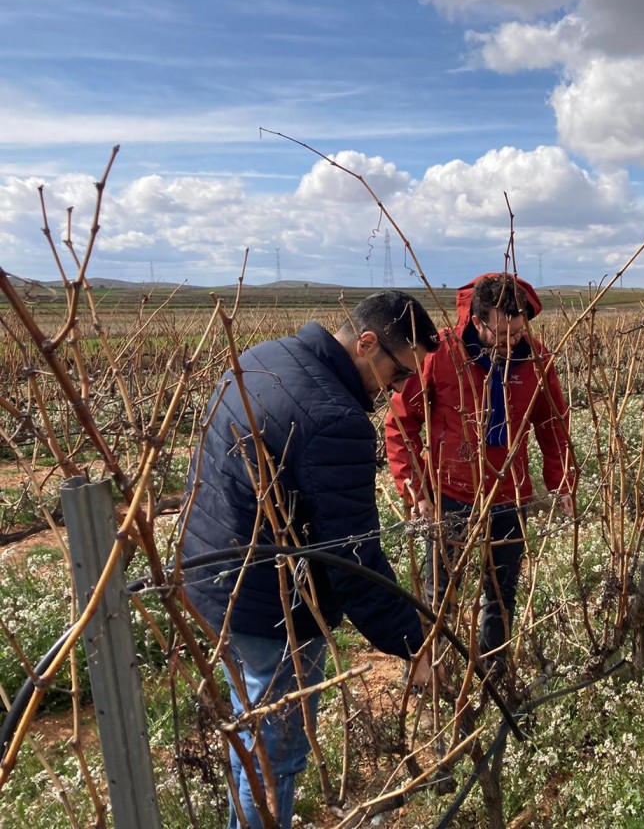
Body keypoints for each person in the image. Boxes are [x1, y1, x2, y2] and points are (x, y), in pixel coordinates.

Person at [180, 291, 439, 829]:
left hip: (206, 572)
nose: (398, 391)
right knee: (276, 756)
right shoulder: (335, 418)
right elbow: (352, 558)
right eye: (397, 374)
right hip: (268, 607)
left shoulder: (261, 356)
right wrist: (413, 642)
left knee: (252, 729)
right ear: (366, 343)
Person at [385, 273, 574, 677]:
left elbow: (553, 425)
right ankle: (424, 675)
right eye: (502, 332)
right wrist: (415, 489)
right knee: (439, 595)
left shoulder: (537, 360)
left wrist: (562, 482)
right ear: (476, 320)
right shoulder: (440, 354)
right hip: (450, 495)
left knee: (501, 597)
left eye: (519, 331)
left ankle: (493, 677)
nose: (512, 341)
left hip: (510, 495)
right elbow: (400, 423)